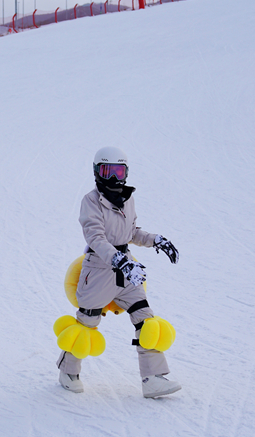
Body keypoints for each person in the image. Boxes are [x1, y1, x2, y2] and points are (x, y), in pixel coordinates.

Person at [56, 147, 182, 398]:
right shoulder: (90, 202)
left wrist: (155, 239)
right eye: (107, 171)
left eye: (118, 171)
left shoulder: (128, 199)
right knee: (87, 324)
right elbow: (96, 237)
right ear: (96, 172)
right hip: (99, 269)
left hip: (126, 267)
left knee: (145, 319)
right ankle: (68, 370)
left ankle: (153, 379)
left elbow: (131, 233)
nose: (113, 178)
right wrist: (118, 260)